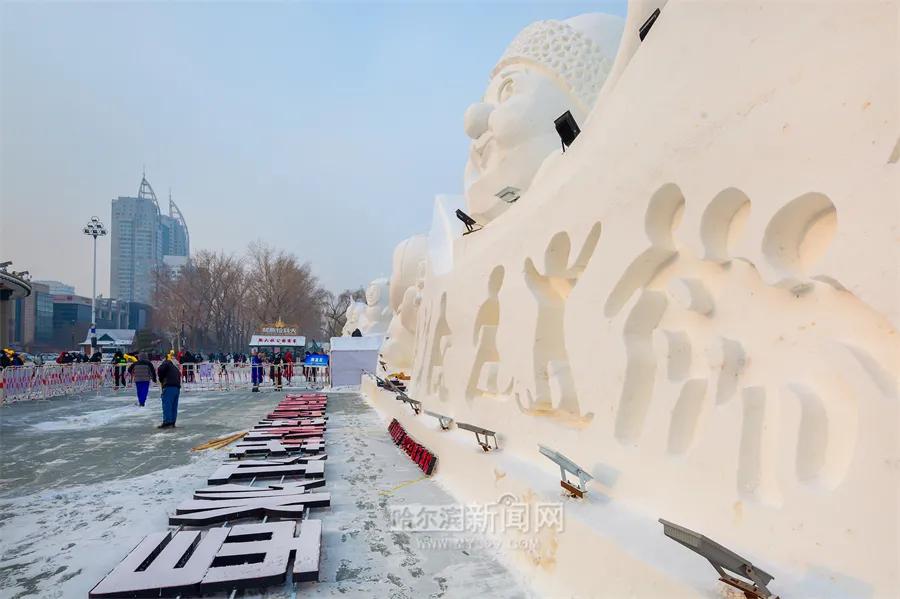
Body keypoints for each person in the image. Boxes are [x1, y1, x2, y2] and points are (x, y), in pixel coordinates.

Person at [156, 352, 181, 428]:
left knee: (167, 405)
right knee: (174, 405)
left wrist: (161, 379)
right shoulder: (175, 368)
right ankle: (172, 421)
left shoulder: (166, 364)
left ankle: (167, 422)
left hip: (169, 386)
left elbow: (160, 369)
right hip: (177, 387)